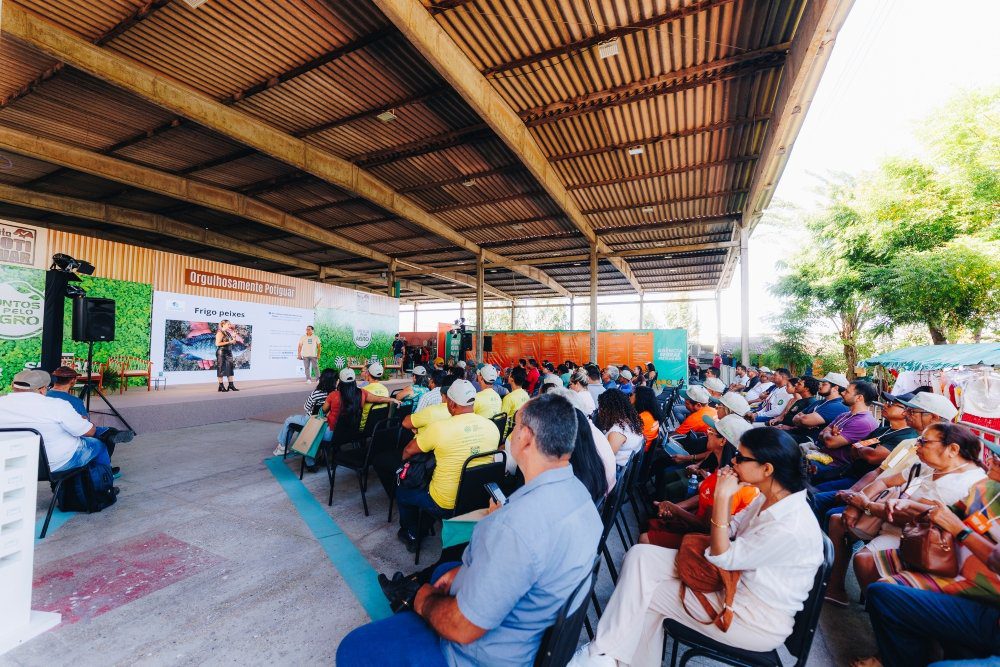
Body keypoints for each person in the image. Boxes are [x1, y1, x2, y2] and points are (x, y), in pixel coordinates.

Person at [339, 393, 602, 667]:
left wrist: (423, 599)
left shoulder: (513, 526)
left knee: (353, 648)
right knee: (444, 570)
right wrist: (464, 571)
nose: (510, 434)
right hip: (528, 632)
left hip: (478, 655)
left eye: (514, 428)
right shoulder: (582, 499)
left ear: (525, 437)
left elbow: (462, 628)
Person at [570, 427, 824, 666]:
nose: (733, 461)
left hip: (751, 618)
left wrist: (723, 497)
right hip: (731, 585)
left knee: (645, 597)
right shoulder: (771, 498)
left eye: (740, 457)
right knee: (639, 555)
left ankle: (602, 654)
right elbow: (732, 529)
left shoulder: (789, 526)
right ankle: (606, 654)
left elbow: (722, 555)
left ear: (766, 469)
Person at [859, 446, 1000, 667]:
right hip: (951, 565)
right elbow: (950, 512)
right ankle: (893, 654)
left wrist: (959, 531)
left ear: (953, 449)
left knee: (885, 587)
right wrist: (910, 504)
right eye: (993, 455)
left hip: (984, 590)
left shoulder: (969, 478)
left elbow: (993, 558)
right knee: (878, 583)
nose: (991, 461)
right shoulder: (987, 488)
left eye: (998, 458)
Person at [822, 390, 955, 606]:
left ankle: (883, 607)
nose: (908, 413)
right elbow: (880, 476)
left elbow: (916, 510)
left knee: (855, 545)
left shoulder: (941, 458)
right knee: (835, 516)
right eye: (908, 409)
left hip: (905, 524)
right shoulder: (910, 446)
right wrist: (855, 502)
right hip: (884, 506)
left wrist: (864, 504)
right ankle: (835, 586)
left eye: (914, 411)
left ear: (935, 419)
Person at [394, 380, 501, 551]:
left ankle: (412, 533)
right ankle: (427, 522)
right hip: (478, 498)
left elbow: (408, 451)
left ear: (450, 403)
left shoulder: (439, 428)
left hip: (444, 503)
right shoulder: (492, 427)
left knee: (403, 491)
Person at [640, 414, 757, 547]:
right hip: (693, 524)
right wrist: (675, 507)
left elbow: (706, 527)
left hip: (702, 539)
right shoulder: (724, 469)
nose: (708, 432)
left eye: (712, 431)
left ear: (723, 441)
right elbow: (705, 496)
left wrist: (676, 510)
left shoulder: (731, 480)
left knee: (645, 537)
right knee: (650, 523)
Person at [0, 370, 130, 475]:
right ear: (41, 390)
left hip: (10, 464)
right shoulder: (58, 405)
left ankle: (108, 435)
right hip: (54, 464)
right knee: (98, 444)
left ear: (13, 386)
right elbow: (89, 432)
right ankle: (104, 483)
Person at [47, 366, 135, 450]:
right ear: (73, 380)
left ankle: (112, 435)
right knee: (105, 435)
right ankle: (104, 464)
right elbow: (86, 426)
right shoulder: (74, 401)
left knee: (107, 433)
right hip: (71, 435)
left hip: (51, 432)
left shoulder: (43, 395)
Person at [811, 380, 879, 483]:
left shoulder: (863, 422)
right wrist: (829, 434)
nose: (842, 393)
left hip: (835, 467)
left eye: (847, 392)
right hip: (822, 458)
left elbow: (830, 443)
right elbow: (821, 434)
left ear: (859, 398)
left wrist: (828, 434)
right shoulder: (845, 415)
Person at [273, 368, 338, 465]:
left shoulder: (316, 393)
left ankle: (282, 447)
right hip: (327, 423)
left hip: (312, 421)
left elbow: (306, 407)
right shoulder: (336, 394)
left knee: (289, 420)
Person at [788, 372, 850, 443]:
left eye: (824, 384)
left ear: (835, 388)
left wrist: (804, 419)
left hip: (811, 442)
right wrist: (804, 421)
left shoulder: (838, 405)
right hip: (799, 435)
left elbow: (805, 420)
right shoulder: (819, 402)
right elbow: (795, 418)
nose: (820, 386)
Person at [595, 389, 645, 470]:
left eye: (600, 407)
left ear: (608, 409)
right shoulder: (630, 421)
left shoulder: (616, 432)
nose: (599, 411)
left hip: (615, 471)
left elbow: (604, 460)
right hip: (623, 469)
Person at [500, 366, 530, 440]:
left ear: (512, 379)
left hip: (509, 436)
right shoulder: (526, 395)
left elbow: (502, 419)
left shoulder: (509, 398)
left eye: (510, 375)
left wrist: (502, 439)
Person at [631, 386, 662, 452]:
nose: (629, 396)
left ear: (639, 398)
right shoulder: (651, 413)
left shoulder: (642, 417)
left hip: (640, 451)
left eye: (632, 394)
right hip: (646, 448)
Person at [215, 319, 240, 392]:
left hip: (228, 352)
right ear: (223, 324)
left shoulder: (228, 333)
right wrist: (229, 341)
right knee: (221, 369)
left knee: (230, 368)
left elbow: (233, 342)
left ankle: (231, 385)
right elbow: (217, 344)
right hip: (221, 352)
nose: (230, 325)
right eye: (228, 324)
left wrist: (234, 336)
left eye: (230, 324)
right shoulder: (220, 333)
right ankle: (221, 386)